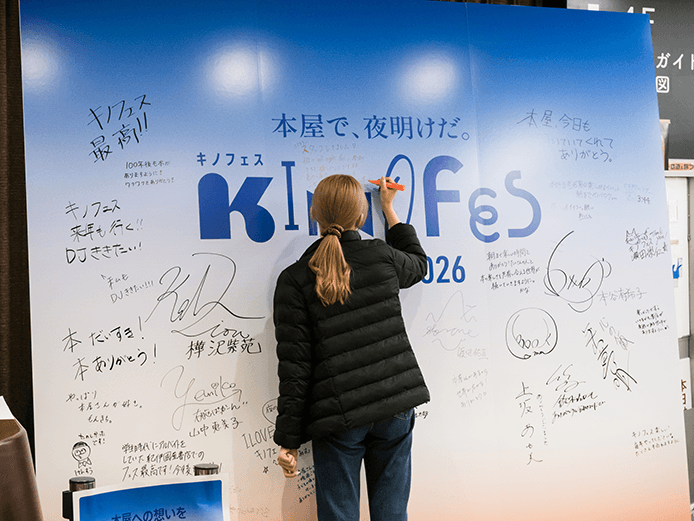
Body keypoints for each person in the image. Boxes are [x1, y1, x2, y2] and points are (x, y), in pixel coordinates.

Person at [272, 174, 430, 521]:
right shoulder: (382, 256)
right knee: (392, 513)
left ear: (314, 214)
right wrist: (389, 209)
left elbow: (295, 368)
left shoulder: (294, 279)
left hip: (338, 416)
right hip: (394, 405)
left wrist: (289, 440)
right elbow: (418, 264)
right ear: (361, 216)